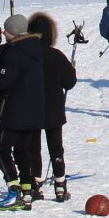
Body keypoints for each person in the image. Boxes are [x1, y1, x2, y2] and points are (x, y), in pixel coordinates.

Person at [0, 15, 46, 210]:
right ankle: (27, 190)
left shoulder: (13, 52)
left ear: (11, 32)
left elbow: (4, 82)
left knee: (0, 151)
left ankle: (14, 188)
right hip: (33, 111)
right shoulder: (35, 48)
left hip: (14, 111)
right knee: (22, 150)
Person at [25, 12, 77, 201]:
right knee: (56, 147)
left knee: (34, 147)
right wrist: (71, 70)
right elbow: (69, 82)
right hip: (53, 108)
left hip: (31, 109)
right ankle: (60, 184)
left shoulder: (27, 55)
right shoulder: (56, 55)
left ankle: (35, 184)